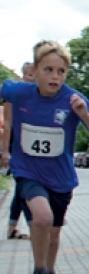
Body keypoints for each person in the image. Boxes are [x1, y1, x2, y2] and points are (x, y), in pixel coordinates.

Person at [1, 40, 89, 274]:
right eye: (48, 70)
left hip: (60, 177)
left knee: (55, 232)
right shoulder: (19, 92)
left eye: (61, 71)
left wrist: (84, 114)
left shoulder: (73, 99)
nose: (55, 77)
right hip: (27, 171)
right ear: (35, 71)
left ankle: (49, 272)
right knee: (42, 218)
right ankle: (38, 272)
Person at [6, 61, 35, 241]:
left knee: (20, 191)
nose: (33, 79)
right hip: (16, 149)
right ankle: (34, 227)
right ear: (23, 76)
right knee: (23, 190)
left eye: (35, 76)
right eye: (30, 75)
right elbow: (7, 124)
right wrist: (5, 152)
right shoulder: (15, 97)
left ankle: (11, 228)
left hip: (30, 151)